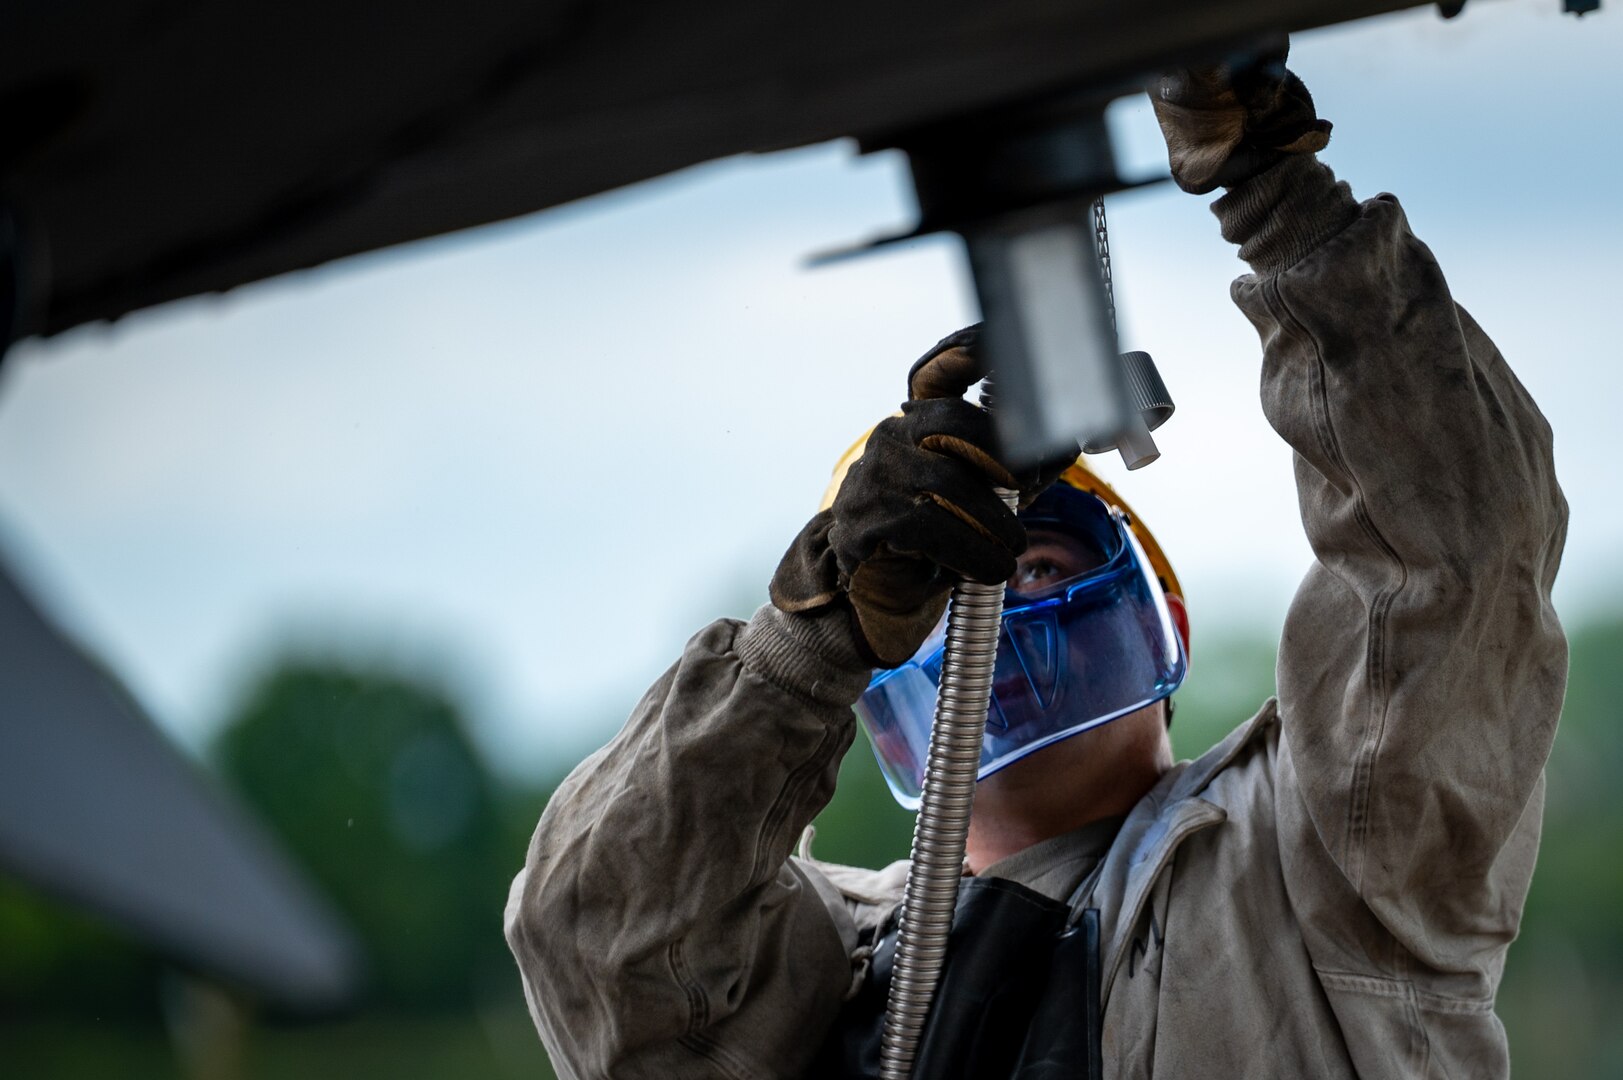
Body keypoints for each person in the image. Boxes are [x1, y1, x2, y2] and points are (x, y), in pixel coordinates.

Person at [505, 49, 1567, 1079]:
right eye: (944, 587)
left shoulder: (1322, 869)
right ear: (876, 693)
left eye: (1042, 558)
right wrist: (805, 641)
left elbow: (1457, 561)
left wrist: (1281, 200)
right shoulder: (826, 974)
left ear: (1162, 623)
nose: (1000, 598)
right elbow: (593, 943)